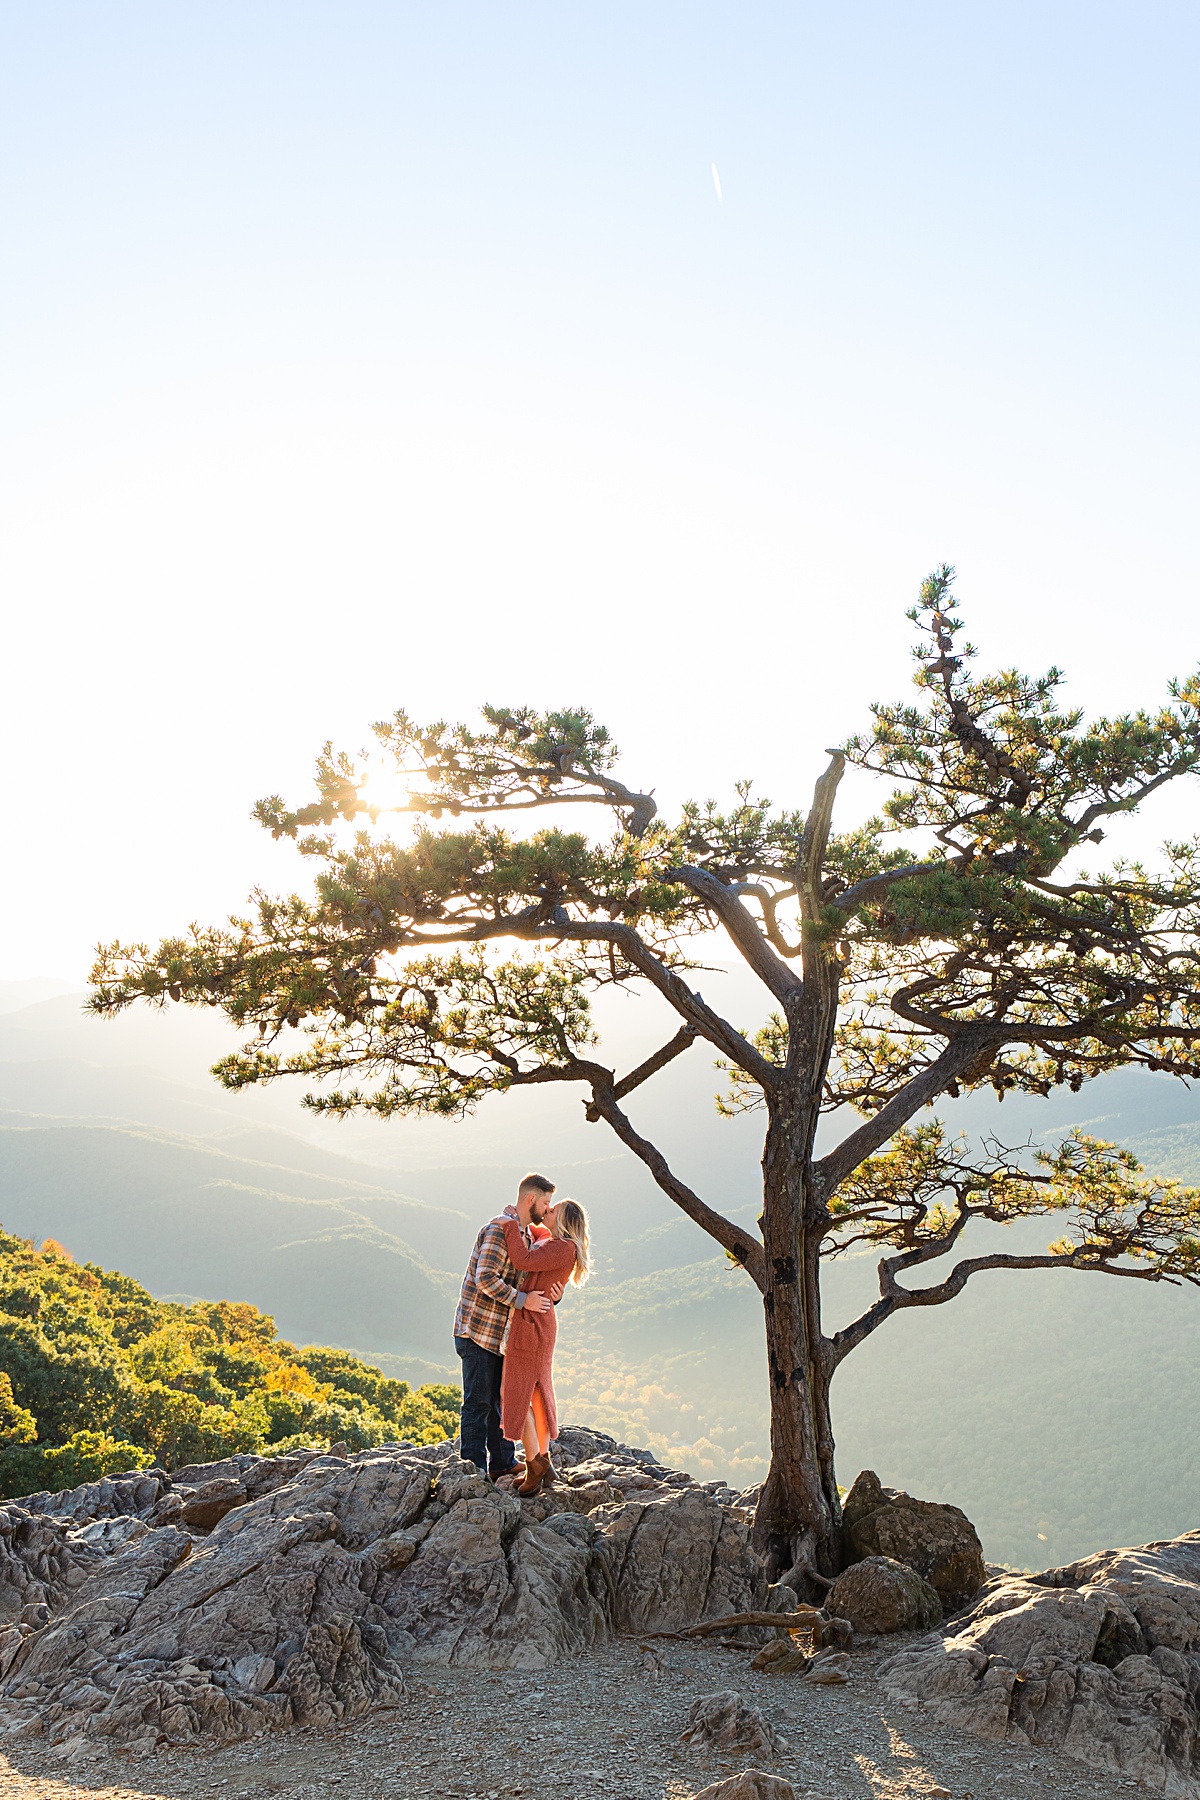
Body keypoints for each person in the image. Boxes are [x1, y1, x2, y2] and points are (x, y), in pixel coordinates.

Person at [453, 1173, 558, 1480]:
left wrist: (555, 1293)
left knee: (502, 1400)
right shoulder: (499, 1230)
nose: (547, 1209)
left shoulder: (525, 1235)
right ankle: (472, 1472)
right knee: (478, 1403)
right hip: (478, 1332)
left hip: (502, 1337)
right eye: (546, 1202)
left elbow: (533, 1279)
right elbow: (485, 1277)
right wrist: (522, 1300)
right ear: (531, 1200)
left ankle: (502, 1462)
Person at [500, 1198, 591, 1496]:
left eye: (552, 1211)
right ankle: (544, 1461)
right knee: (536, 1394)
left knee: (515, 1392)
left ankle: (534, 1463)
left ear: (563, 1222)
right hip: (538, 1322)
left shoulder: (561, 1248)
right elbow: (539, 1243)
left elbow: (523, 1260)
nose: (546, 1212)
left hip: (532, 1326)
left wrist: (510, 1225)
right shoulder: (558, 1245)